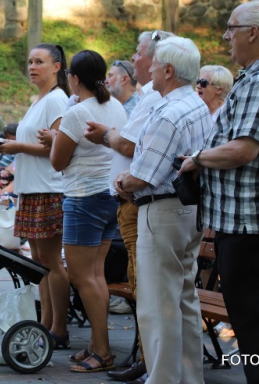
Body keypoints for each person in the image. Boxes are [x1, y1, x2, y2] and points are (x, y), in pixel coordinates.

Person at [179, 0, 259, 384]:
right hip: (244, 218)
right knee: (253, 323)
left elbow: (242, 150)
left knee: (256, 325)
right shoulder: (258, 76)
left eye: (231, 27)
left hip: (249, 220)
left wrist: (197, 158)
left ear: (252, 33)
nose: (226, 36)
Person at [113, 37, 211, 383]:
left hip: (163, 210)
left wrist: (123, 181)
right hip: (187, 211)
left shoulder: (169, 112)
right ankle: (188, 375)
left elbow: (144, 175)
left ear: (168, 70)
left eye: (154, 64)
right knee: (183, 298)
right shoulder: (196, 106)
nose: (150, 69)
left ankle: (163, 378)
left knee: (158, 303)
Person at [82, 29, 175, 383]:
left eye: (138, 53)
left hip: (141, 202)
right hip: (131, 201)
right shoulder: (153, 96)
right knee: (142, 286)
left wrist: (106, 135)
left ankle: (150, 360)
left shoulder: (155, 99)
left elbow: (133, 146)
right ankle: (147, 357)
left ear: (157, 60)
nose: (134, 59)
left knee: (146, 286)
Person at [47, 50, 127, 373]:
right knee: (96, 276)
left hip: (83, 197)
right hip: (108, 195)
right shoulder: (116, 106)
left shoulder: (78, 113)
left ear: (74, 79)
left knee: (82, 276)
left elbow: (57, 161)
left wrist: (54, 137)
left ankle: (103, 351)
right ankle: (95, 344)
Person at [0, 43, 70, 350]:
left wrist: (18, 148)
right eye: (29, 61)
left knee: (51, 261)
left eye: (39, 61)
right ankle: (46, 324)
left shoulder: (58, 100)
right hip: (31, 187)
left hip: (49, 188)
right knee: (38, 261)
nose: (32, 66)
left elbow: (60, 147)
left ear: (56, 67)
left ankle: (59, 328)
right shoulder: (39, 100)